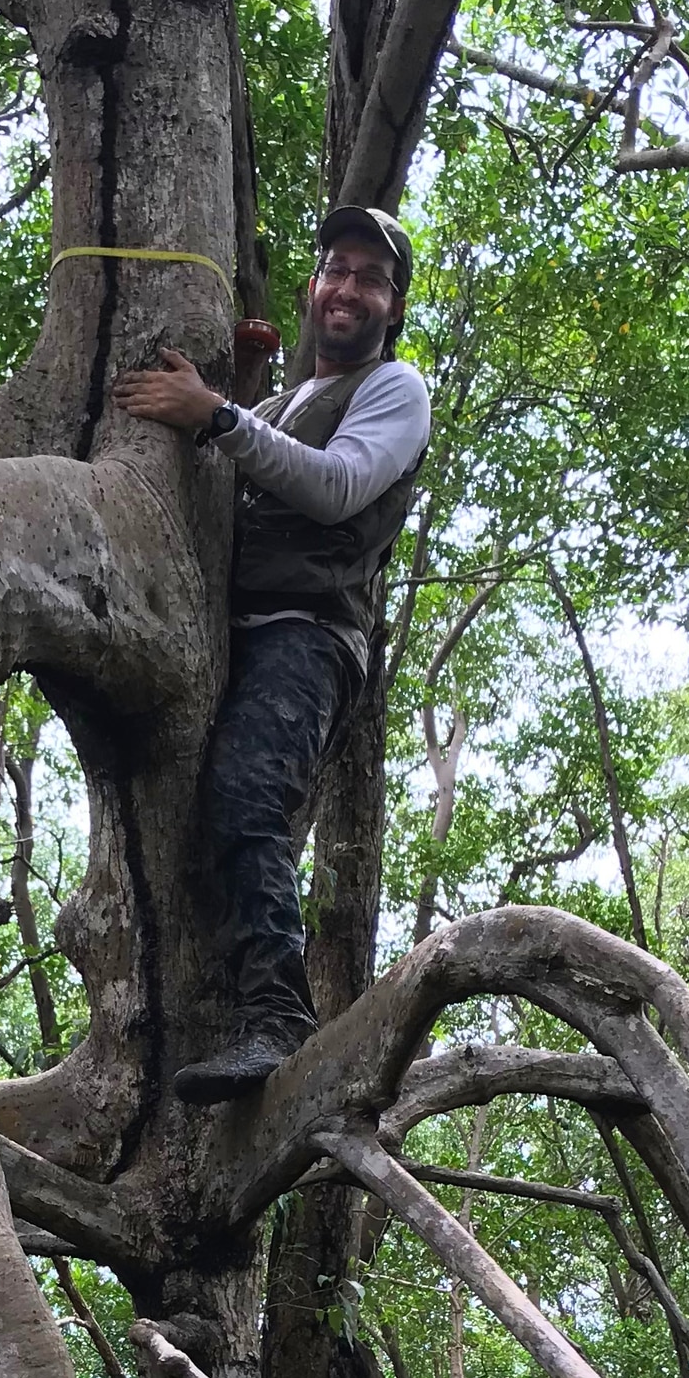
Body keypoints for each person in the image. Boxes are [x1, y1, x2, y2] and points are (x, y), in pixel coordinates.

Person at [116, 205, 431, 1101]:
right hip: (222, 637)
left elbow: (335, 489)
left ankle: (279, 1017)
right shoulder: (280, 401)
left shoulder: (394, 389)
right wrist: (234, 402)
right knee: (186, 808)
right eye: (337, 268)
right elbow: (235, 479)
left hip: (307, 636)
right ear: (313, 286)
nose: (349, 288)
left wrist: (217, 416)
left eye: (371, 277)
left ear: (391, 304)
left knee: (249, 794)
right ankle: (189, 1016)